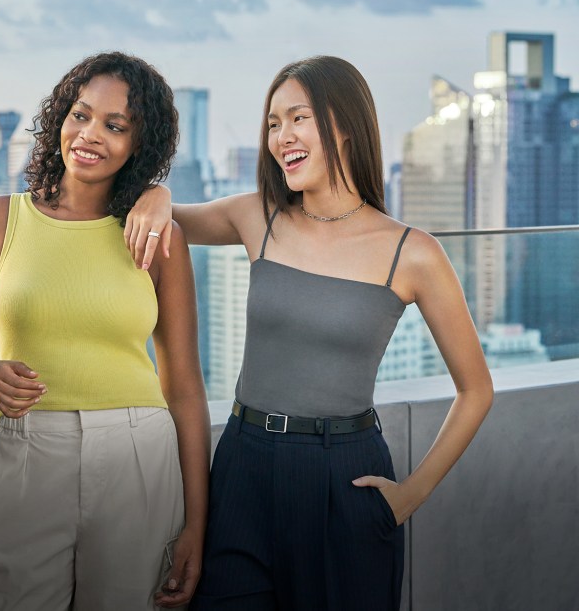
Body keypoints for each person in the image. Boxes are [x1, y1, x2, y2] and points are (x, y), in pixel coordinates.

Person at [124, 55, 493, 610]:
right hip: (243, 466)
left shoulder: (412, 252)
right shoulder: (259, 216)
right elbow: (168, 218)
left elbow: (476, 390)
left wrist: (407, 498)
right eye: (273, 123)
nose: (281, 137)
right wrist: (156, 193)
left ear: (344, 124)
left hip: (342, 478)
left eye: (298, 118)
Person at [0, 53, 210, 611]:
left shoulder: (159, 237)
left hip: (138, 456)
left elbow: (186, 390)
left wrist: (196, 523)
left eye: (115, 125)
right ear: (58, 120)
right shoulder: (2, 218)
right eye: (80, 115)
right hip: (27, 452)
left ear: (137, 145)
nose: (89, 135)